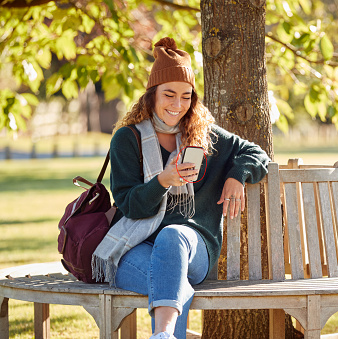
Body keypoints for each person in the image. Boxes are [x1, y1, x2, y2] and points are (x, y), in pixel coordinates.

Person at [92, 37, 270, 339]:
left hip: (193, 246)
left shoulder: (205, 136)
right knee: (174, 284)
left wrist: (237, 174)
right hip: (134, 247)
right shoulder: (127, 139)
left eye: (186, 96)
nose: (177, 105)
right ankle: (165, 335)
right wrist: (163, 181)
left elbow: (257, 153)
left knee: (172, 235)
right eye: (169, 95)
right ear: (152, 95)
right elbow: (129, 204)